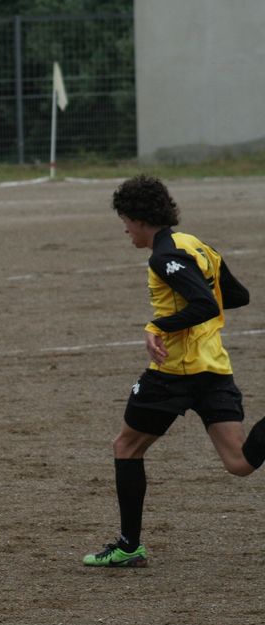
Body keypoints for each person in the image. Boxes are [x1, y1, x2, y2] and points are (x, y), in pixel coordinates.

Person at [83, 174, 265, 568]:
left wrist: (158, 325)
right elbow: (236, 295)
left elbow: (206, 305)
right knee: (239, 463)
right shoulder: (195, 244)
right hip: (214, 368)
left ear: (138, 219)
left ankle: (129, 547)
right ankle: (128, 546)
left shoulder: (164, 257)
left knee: (126, 447)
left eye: (125, 222)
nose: (125, 230)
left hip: (173, 372)